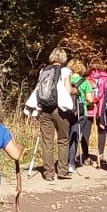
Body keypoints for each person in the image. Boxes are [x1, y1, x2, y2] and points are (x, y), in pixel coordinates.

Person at [37, 47, 74, 180]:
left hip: (44, 108)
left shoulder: (43, 70)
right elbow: (68, 90)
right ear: (63, 58)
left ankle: (49, 173)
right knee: (63, 140)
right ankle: (63, 171)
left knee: (47, 141)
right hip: (60, 109)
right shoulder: (66, 71)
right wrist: (75, 91)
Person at [66, 59, 94, 173]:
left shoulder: (65, 80)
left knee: (65, 138)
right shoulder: (85, 82)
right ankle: (71, 163)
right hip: (80, 113)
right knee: (75, 138)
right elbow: (90, 99)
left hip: (66, 112)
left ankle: (63, 161)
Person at [83, 58, 107, 167]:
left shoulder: (87, 78)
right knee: (101, 131)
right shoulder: (106, 79)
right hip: (100, 109)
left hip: (88, 109)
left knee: (86, 132)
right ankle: (100, 154)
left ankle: (86, 156)